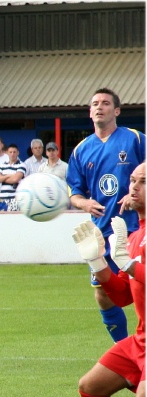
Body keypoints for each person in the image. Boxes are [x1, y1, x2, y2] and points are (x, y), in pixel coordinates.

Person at [69, 162, 145, 397]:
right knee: (91, 387)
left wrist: (130, 266)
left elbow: (135, 273)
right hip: (140, 339)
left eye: (143, 181)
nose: (134, 186)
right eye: (133, 180)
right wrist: (98, 261)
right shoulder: (137, 235)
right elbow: (124, 296)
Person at [67, 87, 146, 343]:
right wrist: (85, 204)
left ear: (117, 110)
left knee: (139, 288)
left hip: (137, 229)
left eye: (105, 103)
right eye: (94, 104)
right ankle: (124, 349)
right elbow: (74, 193)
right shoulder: (81, 150)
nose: (99, 107)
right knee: (103, 294)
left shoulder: (135, 139)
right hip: (102, 232)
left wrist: (134, 194)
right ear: (90, 113)